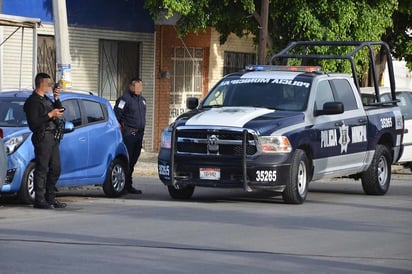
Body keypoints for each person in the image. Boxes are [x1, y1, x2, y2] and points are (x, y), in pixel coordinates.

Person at [24, 73, 67, 209]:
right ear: (41, 84)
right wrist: (49, 115)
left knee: (56, 168)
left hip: (52, 137)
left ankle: (50, 198)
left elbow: (59, 110)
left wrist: (56, 98)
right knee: (41, 168)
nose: (50, 86)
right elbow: (34, 123)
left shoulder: (46, 99)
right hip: (42, 136)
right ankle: (40, 200)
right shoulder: (33, 102)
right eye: (48, 84)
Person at [114, 78, 146, 194]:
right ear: (131, 87)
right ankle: (124, 185)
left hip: (139, 133)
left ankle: (128, 184)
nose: (139, 89)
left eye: (140, 87)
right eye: (137, 87)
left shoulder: (142, 100)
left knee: (134, 159)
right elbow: (117, 116)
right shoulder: (125, 100)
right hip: (130, 133)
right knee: (128, 159)